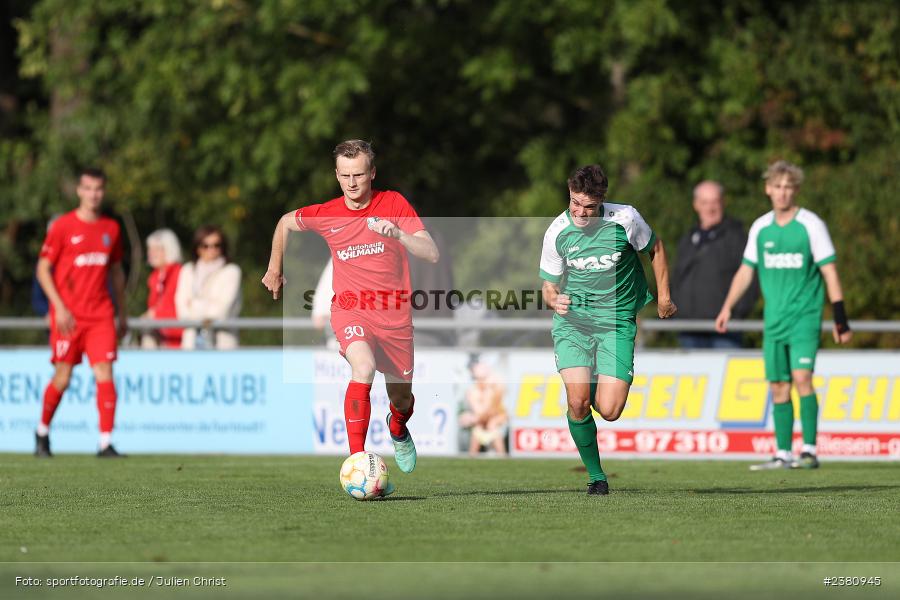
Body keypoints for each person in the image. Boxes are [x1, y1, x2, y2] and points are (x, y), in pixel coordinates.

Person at [262, 139, 439, 497]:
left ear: (372, 173)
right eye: (345, 176)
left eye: (359, 174)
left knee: (402, 399)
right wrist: (274, 268)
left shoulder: (393, 203)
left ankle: (398, 427)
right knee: (363, 367)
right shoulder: (328, 212)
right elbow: (284, 223)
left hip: (395, 316)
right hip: (350, 309)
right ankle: (358, 458)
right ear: (337, 175)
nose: (352, 183)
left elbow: (431, 252)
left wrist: (401, 235)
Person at [539, 164, 677, 495]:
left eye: (588, 206)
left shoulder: (626, 219)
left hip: (616, 323)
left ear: (602, 200)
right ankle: (596, 477)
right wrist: (553, 300)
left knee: (611, 411)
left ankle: (597, 381)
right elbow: (548, 284)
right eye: (575, 203)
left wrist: (664, 297)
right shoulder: (557, 231)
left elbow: (655, 250)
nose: (581, 212)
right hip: (574, 323)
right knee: (577, 401)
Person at [715, 160, 852, 470]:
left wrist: (840, 316)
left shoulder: (811, 225)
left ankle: (810, 450)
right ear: (768, 189)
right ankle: (782, 453)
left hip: (804, 318)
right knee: (778, 385)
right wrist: (727, 307)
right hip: (774, 322)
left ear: (796, 190)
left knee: (802, 378)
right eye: (777, 187)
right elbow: (746, 272)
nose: (782, 193)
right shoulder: (761, 228)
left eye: (788, 187)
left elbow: (829, 271)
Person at [34, 167, 128, 458]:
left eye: (98, 189)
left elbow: (115, 273)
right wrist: (58, 307)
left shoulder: (111, 228)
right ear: (79, 190)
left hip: (101, 314)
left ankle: (105, 442)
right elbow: (42, 269)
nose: (93, 194)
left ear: (104, 191)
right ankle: (42, 432)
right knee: (62, 377)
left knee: (105, 372)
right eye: (88, 188)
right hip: (69, 316)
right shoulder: (62, 226)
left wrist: (123, 313)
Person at [671, 181, 758, 348]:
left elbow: (751, 279)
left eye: (714, 202)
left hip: (725, 330)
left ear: (723, 203)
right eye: (704, 202)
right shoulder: (688, 239)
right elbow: (676, 279)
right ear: (696, 205)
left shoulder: (737, 237)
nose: (710, 208)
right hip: (688, 329)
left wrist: (735, 313)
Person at [175, 226, 242, 349]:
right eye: (205, 245)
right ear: (197, 247)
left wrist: (194, 304)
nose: (211, 249)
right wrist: (209, 305)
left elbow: (221, 312)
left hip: (222, 346)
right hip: (191, 345)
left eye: (216, 245)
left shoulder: (231, 271)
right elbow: (182, 312)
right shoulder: (187, 270)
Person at [140, 228, 183, 349]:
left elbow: (181, 309)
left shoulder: (180, 273)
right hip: (160, 335)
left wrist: (155, 314)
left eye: (157, 249)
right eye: (150, 249)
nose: (151, 253)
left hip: (177, 339)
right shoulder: (154, 277)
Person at [459, 359, 508, 457]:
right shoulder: (473, 391)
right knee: (477, 433)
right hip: (481, 425)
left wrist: (473, 418)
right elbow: (480, 412)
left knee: (492, 426)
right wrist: (474, 418)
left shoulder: (495, 386)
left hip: (494, 423)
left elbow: (494, 411)